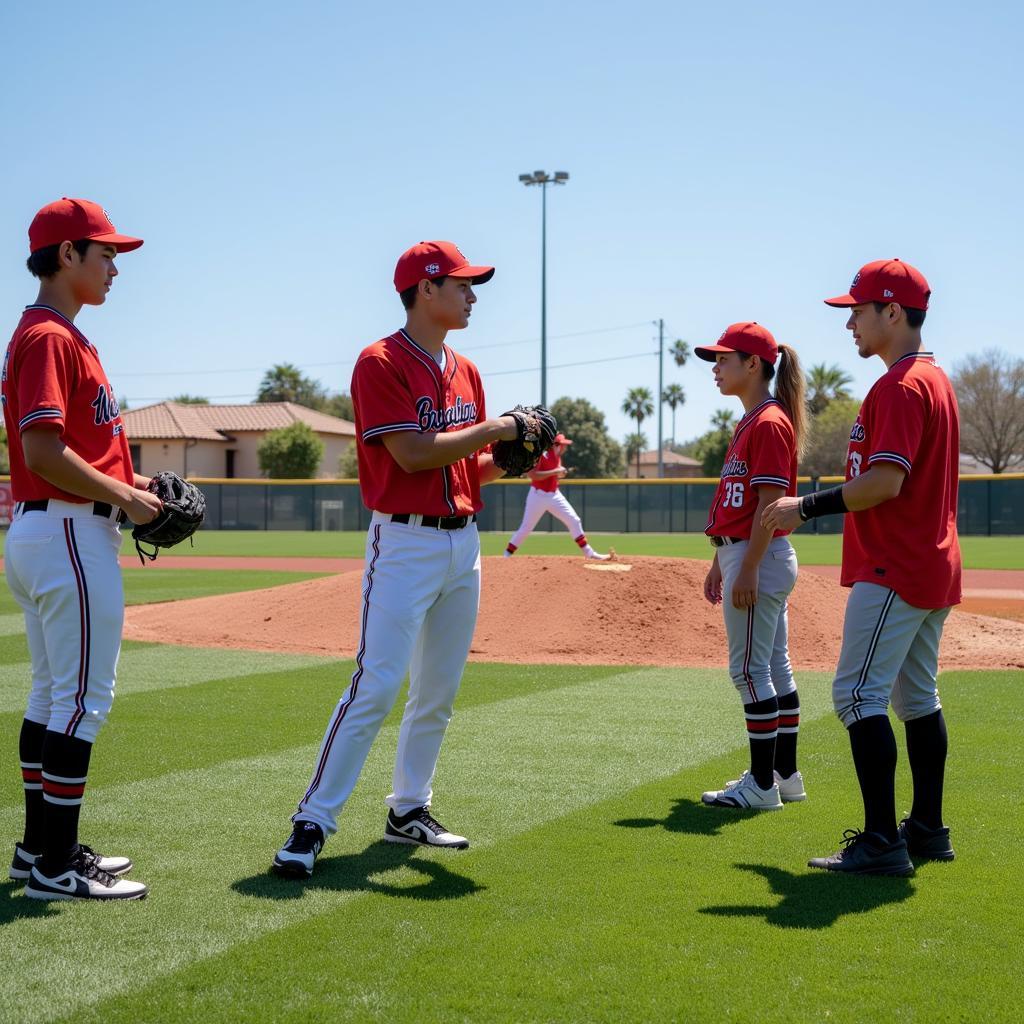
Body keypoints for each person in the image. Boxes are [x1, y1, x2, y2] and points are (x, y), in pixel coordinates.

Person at [273, 241, 523, 878]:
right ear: (425, 289)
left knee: (437, 691)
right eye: (462, 285)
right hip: (403, 543)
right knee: (376, 683)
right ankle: (312, 822)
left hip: (462, 542)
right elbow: (412, 454)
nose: (472, 296)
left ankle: (409, 809)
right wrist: (496, 430)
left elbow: (467, 466)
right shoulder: (378, 361)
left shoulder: (465, 369)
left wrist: (512, 460)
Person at [763, 259, 960, 877]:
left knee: (856, 696)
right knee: (916, 697)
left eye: (857, 310)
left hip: (895, 563)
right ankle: (926, 827)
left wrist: (806, 505)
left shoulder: (901, 385)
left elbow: (884, 482)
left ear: (892, 313)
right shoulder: (933, 378)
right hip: (930, 562)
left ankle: (880, 841)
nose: (849, 323)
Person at [3, 198, 162, 901]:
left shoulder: (59, 334)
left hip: (52, 525)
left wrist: (134, 483)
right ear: (66, 254)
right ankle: (57, 866)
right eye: (105, 255)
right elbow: (43, 448)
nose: (114, 268)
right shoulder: (49, 336)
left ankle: (39, 850)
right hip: (69, 528)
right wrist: (124, 498)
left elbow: (71, 447)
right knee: (80, 702)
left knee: (50, 695)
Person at [695, 323, 808, 812]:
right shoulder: (754, 419)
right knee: (774, 667)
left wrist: (747, 567)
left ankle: (761, 785)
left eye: (724, 359)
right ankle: (784, 775)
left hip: (757, 555)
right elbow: (741, 502)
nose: (716, 369)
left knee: (748, 671)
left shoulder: (767, 421)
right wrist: (721, 561)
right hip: (744, 551)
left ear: (754, 364)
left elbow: (770, 502)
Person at [503, 432, 611, 560]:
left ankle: (589, 553)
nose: (565, 447)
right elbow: (532, 475)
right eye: (563, 445)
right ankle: (507, 555)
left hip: (554, 495)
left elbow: (554, 473)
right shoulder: (541, 455)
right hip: (538, 495)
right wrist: (555, 471)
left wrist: (559, 472)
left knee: (574, 520)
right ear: (555, 445)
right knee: (526, 527)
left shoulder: (557, 456)